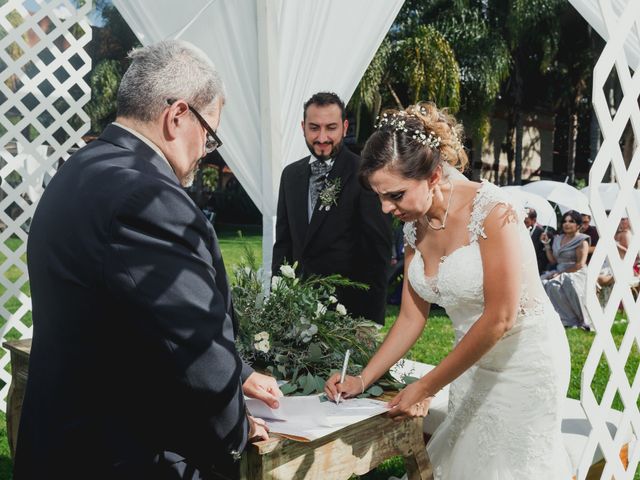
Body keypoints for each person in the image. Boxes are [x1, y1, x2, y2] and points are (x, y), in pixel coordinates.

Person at [15, 40, 281, 480]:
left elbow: (129, 315)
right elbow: (194, 352)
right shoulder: (149, 198)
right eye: (209, 135)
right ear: (177, 117)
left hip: (62, 442)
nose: (204, 151)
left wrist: (242, 371)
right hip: (127, 456)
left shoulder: (79, 170)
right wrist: (236, 431)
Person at [325, 103, 572, 478]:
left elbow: (500, 317)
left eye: (395, 195)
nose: (386, 208)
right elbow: (410, 317)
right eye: (379, 196)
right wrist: (363, 378)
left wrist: (425, 387)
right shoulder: (413, 227)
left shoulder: (492, 210)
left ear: (434, 175)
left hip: (525, 362)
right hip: (470, 363)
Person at [272, 92, 392, 324]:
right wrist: (278, 304)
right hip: (296, 312)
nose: (322, 137)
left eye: (331, 128)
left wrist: (370, 322)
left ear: (345, 128)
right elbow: (284, 245)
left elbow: (379, 254)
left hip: (348, 315)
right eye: (314, 127)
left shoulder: (364, 175)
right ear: (303, 127)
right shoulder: (290, 175)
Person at [540, 210, 591, 329]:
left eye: (571, 221)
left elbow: (580, 264)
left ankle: (572, 320)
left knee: (555, 283)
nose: (566, 224)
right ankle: (554, 317)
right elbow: (553, 261)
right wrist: (546, 244)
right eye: (564, 221)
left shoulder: (582, 241)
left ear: (578, 225)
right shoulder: (558, 238)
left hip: (576, 272)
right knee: (541, 281)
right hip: (559, 269)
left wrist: (559, 274)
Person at [524, 207, 554, 274]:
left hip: (536, 267)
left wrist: (544, 242)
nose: (523, 224)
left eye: (526, 222)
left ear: (534, 220)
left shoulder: (543, 233)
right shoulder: (519, 229)